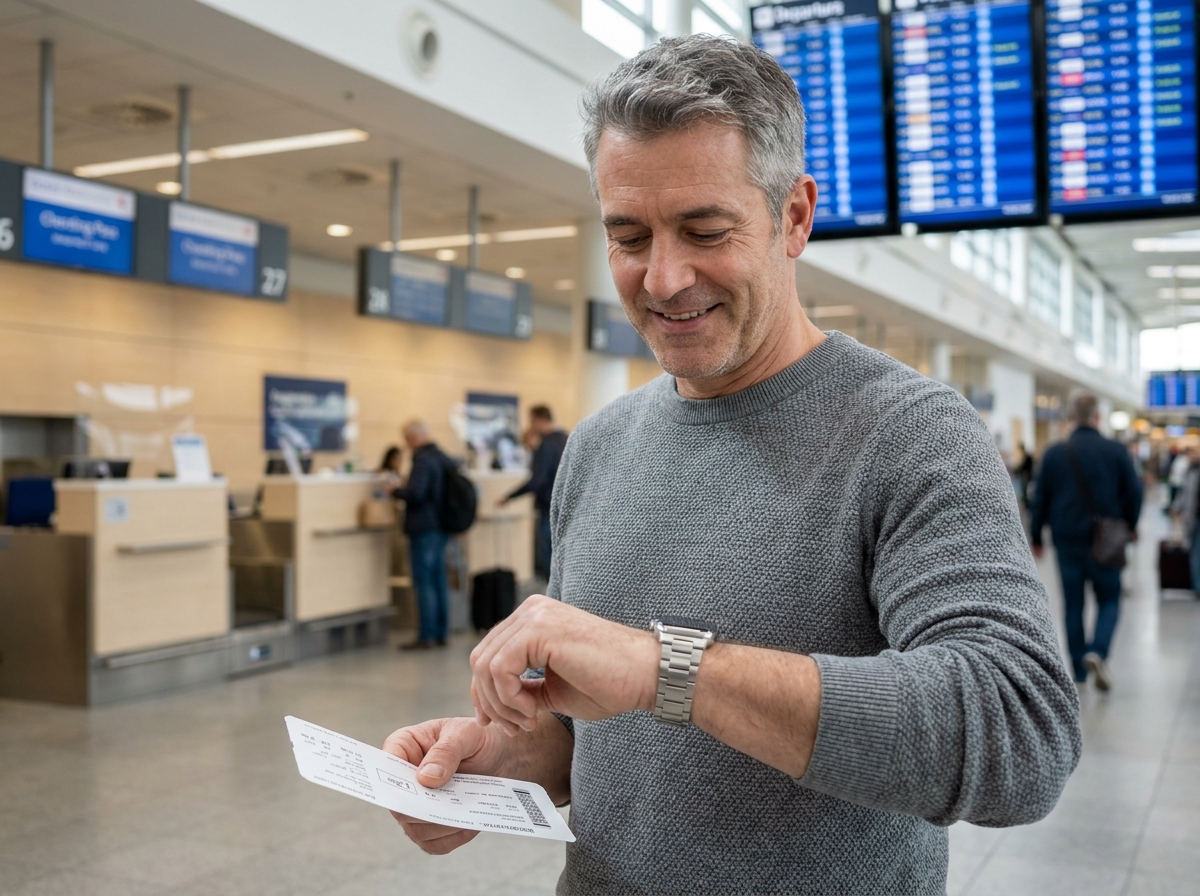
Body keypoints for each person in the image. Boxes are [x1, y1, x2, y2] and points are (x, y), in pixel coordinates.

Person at [383, 36, 1080, 894]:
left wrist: (664, 666)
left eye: (705, 231)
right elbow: (609, 740)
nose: (664, 277)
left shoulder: (908, 432)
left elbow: (1020, 735)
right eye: (628, 236)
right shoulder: (600, 447)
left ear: (794, 217)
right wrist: (501, 760)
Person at [1030, 394, 1143, 691]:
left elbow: (1039, 497)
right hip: (1107, 540)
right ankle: (1098, 650)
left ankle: (1079, 669)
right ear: (1097, 417)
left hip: (1066, 539)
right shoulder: (1116, 451)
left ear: (1070, 418)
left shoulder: (1055, 453)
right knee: (1109, 598)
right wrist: (1129, 525)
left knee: (1073, 604)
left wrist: (1036, 536)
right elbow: (1134, 492)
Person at [391, 421, 449, 650]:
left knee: (424, 582)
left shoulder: (422, 459)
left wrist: (394, 490)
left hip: (424, 527)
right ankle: (441, 632)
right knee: (439, 580)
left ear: (413, 438)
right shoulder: (442, 456)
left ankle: (426, 635)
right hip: (442, 526)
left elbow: (416, 493)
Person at [497, 405, 568, 580]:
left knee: (548, 559)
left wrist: (509, 496)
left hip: (548, 508)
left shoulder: (547, 444)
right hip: (566, 506)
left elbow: (538, 480)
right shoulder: (566, 439)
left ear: (536, 418)